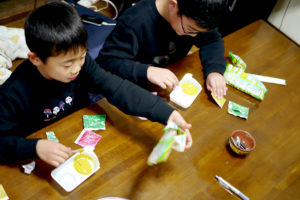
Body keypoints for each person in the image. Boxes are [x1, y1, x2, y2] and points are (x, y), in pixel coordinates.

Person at [0, 1, 192, 167]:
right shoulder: (12, 93)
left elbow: (116, 87)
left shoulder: (82, 65)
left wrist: (167, 113)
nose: (77, 68)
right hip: (39, 151)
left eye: (83, 56)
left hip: (76, 131)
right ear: (35, 59)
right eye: (67, 64)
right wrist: (35, 147)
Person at [96, 0, 228, 99]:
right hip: (130, 87)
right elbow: (107, 61)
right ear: (173, 5)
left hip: (167, 85)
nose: (194, 36)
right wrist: (146, 71)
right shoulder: (136, 21)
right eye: (190, 30)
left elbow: (212, 40)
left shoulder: (197, 16)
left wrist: (215, 71)